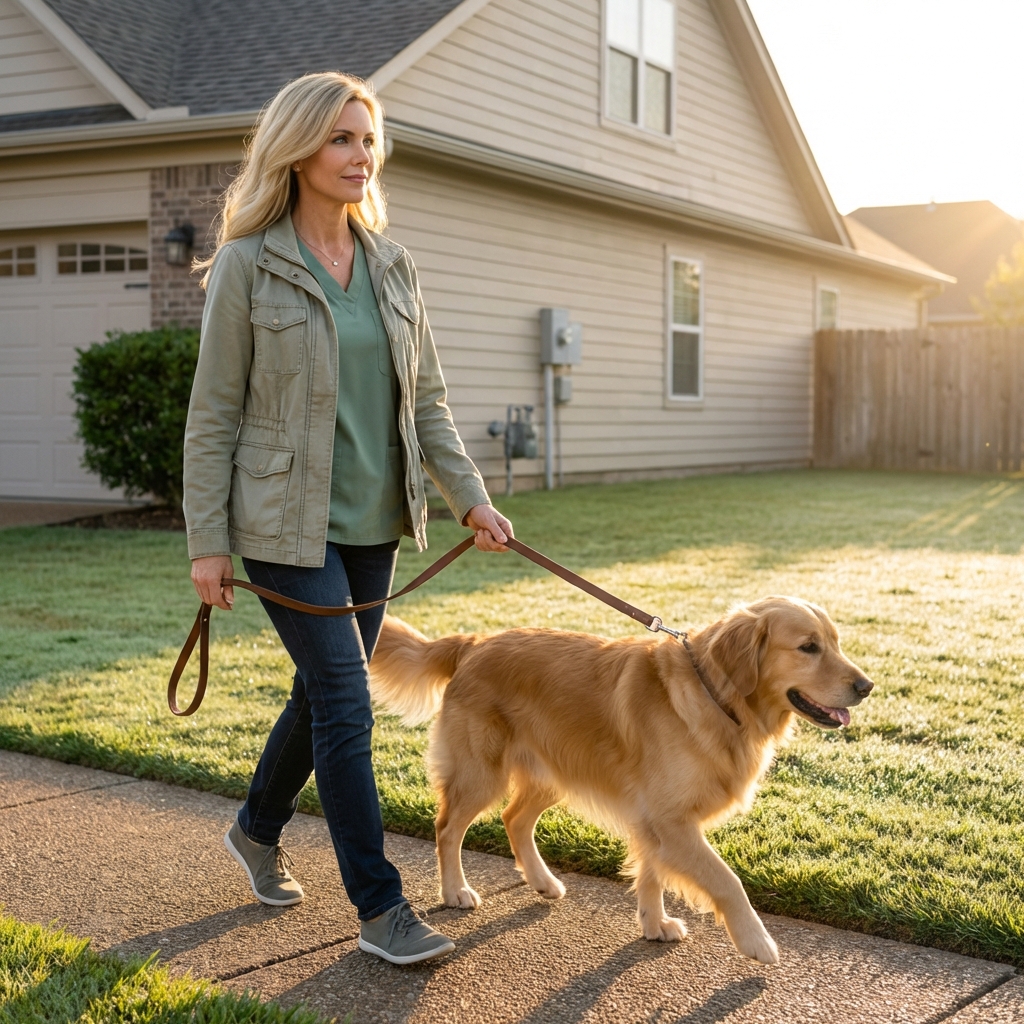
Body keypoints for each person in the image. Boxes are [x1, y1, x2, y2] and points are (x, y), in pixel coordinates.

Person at [183, 71, 513, 966]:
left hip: (376, 519)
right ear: (296, 149)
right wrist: (208, 543)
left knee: (318, 690)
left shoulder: (393, 266)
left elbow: (430, 405)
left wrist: (471, 497)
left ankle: (256, 828)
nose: (359, 155)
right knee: (344, 702)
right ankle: (382, 910)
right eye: (340, 139)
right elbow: (213, 412)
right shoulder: (251, 265)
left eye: (367, 139)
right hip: (284, 526)